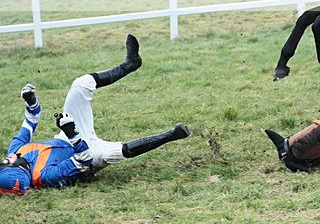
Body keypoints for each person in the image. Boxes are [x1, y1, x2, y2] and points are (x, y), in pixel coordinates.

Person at [0, 34, 190, 195]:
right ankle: (172, 135)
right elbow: (84, 159)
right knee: (114, 152)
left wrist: (31, 101)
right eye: (6, 163)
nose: (5, 158)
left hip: (68, 137)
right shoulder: (45, 176)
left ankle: (131, 64)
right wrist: (72, 132)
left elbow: (31, 119)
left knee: (80, 84)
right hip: (87, 156)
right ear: (19, 170)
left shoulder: (16, 150)